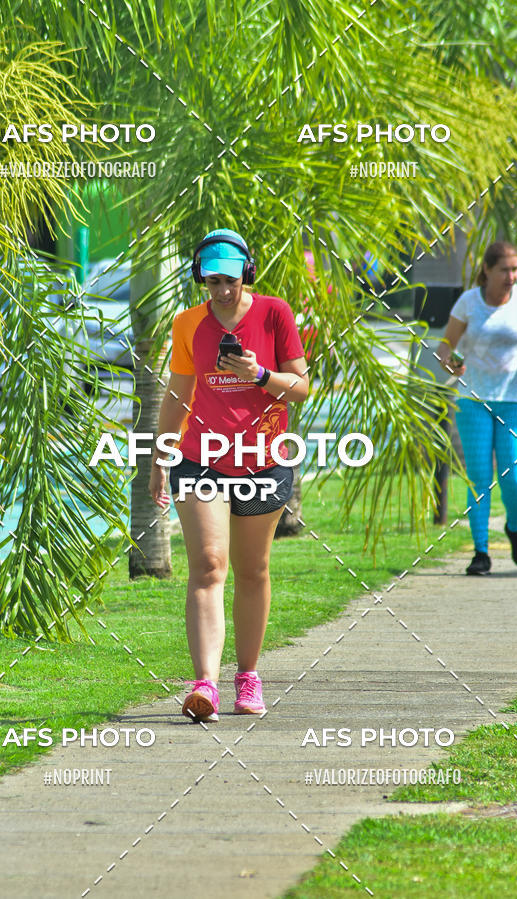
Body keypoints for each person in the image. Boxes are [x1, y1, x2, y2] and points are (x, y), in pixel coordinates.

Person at [149, 228, 309, 721]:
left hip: (263, 459)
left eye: (230, 280)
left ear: (247, 274)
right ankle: (204, 686)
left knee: (252, 569)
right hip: (201, 458)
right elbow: (178, 395)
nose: (221, 290)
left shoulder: (275, 314)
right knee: (208, 564)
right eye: (212, 280)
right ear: (201, 277)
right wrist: (159, 458)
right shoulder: (187, 324)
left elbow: (301, 387)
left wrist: (258, 375)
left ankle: (248, 676)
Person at [437, 241, 517, 575]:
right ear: (487, 270)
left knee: (513, 477)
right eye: (504, 270)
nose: (511, 276)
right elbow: (444, 348)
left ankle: (514, 527)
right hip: (473, 400)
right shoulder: (469, 302)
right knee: (478, 476)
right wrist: (452, 363)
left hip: (516, 400)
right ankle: (481, 553)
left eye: (515, 269)